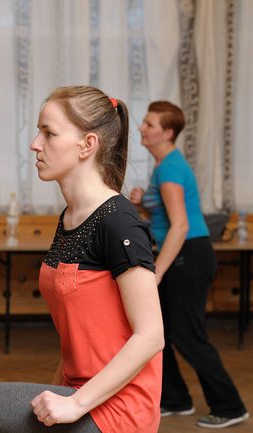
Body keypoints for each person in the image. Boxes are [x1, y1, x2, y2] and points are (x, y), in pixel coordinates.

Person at [0, 85, 165, 433]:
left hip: (116, 410)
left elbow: (151, 335)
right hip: (78, 394)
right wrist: (59, 396)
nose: (34, 144)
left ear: (87, 145)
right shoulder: (71, 217)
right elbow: (79, 337)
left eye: (49, 133)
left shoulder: (118, 221)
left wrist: (75, 404)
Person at [130, 100, 249, 429]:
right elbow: (166, 220)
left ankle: (230, 406)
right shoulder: (164, 165)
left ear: (168, 133)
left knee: (187, 335)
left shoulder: (169, 168)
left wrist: (157, 272)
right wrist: (143, 206)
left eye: (149, 124)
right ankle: (175, 398)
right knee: (160, 331)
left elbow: (181, 226)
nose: (141, 127)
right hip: (180, 253)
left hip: (188, 256)